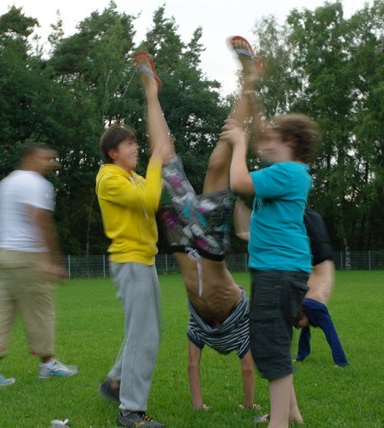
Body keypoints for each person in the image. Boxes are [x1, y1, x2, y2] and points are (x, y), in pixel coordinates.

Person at [154, 36, 262, 411]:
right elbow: (247, 366)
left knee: (164, 160)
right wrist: (248, 405)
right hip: (210, 247)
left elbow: (192, 364)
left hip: (185, 241)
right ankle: (250, 79)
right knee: (219, 163)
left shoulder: (198, 325)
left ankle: (150, 92)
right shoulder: (241, 325)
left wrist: (199, 405)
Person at [226, 80, 320, 426]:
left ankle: (278, 423)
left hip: (278, 272)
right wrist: (253, 101)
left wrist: (239, 143)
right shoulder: (290, 171)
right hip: (281, 270)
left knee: (270, 346)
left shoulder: (287, 172)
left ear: (290, 143)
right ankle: (291, 412)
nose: (265, 143)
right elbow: (266, 140)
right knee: (277, 339)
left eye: (274, 138)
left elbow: (238, 181)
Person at [95, 51, 172, 428]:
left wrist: (152, 95)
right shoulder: (109, 177)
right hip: (130, 261)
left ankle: (114, 382)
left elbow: (153, 187)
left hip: (144, 260)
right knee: (145, 335)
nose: (136, 148)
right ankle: (130, 410)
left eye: (136, 143)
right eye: (129, 144)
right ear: (113, 152)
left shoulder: (134, 177)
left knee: (145, 331)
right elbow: (150, 201)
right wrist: (156, 160)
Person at [0, 143, 77, 388]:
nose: (52, 163)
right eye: (46, 158)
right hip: (26, 256)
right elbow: (41, 221)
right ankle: (48, 365)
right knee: (41, 310)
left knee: (1, 312)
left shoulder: (6, 183)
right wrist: (51, 260)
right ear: (29, 158)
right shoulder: (37, 184)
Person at [295, 207, 348, 367]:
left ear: (303, 317)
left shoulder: (312, 307)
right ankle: (298, 202)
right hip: (320, 257)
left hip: (320, 257)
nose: (298, 328)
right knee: (311, 216)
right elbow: (306, 335)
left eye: (297, 325)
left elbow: (332, 335)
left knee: (303, 214)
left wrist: (341, 362)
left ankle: (341, 362)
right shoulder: (308, 310)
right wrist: (300, 357)